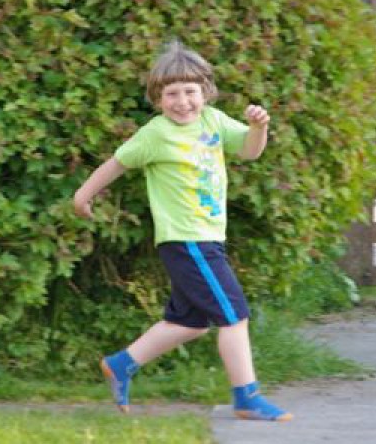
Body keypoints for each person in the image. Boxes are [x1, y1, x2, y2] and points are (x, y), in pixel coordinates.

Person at [72, 40, 292, 422]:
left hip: (208, 239)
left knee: (189, 323)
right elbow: (117, 163)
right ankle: (247, 397)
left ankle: (121, 364)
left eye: (190, 92)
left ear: (205, 92)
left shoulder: (214, 121)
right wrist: (83, 195)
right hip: (187, 241)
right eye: (171, 94)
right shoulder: (156, 134)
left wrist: (259, 127)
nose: (182, 102)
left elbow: (249, 150)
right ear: (158, 99)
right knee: (234, 315)